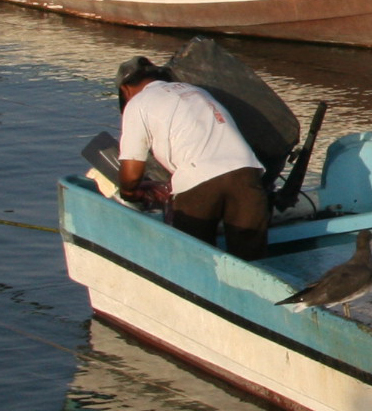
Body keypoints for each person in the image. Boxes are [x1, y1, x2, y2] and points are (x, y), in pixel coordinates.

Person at [114, 57, 269, 259]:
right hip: (247, 173)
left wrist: (129, 193)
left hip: (198, 181)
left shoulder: (137, 103)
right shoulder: (195, 90)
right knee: (250, 262)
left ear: (125, 89)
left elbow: (132, 172)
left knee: (194, 259)